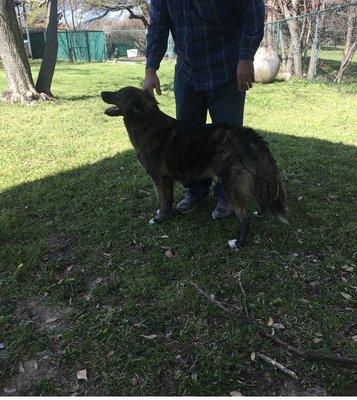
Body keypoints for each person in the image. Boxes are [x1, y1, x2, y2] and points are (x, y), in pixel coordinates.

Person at [144, 0, 265, 219]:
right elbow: (158, 25)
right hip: (187, 71)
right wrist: (151, 67)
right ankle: (196, 191)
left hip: (227, 69)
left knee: (228, 140)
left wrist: (246, 57)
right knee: (187, 140)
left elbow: (253, 10)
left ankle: (227, 195)